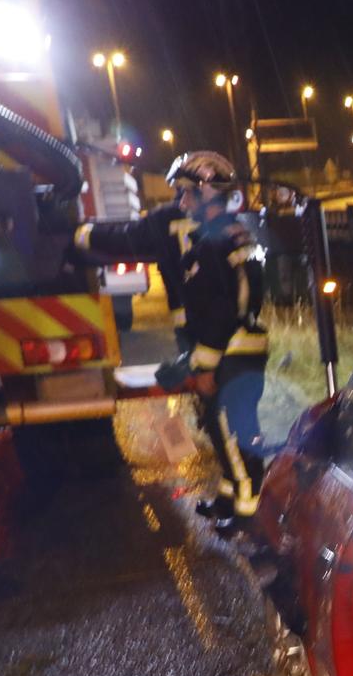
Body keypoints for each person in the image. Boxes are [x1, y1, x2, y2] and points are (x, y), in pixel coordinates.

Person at [76, 151, 269, 525]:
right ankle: (230, 500)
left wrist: (204, 367)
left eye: (186, 194)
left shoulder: (213, 245)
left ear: (208, 192)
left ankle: (247, 517)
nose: (180, 203)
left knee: (231, 434)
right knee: (224, 428)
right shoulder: (231, 234)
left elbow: (219, 314)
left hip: (230, 355)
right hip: (239, 350)